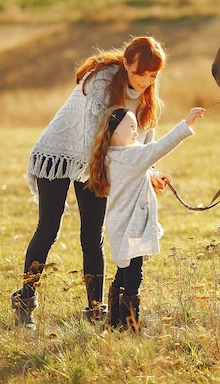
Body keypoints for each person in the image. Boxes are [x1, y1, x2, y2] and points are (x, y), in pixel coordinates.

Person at [11, 35, 171, 329]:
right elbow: (92, 140)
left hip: (98, 162)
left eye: (153, 76)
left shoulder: (148, 101)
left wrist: (152, 173)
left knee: (91, 236)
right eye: (139, 73)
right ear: (126, 63)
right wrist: (133, 170)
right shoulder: (101, 80)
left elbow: (142, 148)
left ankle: (95, 310)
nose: (145, 81)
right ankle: (25, 298)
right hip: (60, 153)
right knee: (48, 229)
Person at [88, 105, 205, 333]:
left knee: (123, 272)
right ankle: (131, 327)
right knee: (133, 276)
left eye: (136, 127)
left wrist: (152, 174)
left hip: (119, 225)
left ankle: (114, 322)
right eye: (130, 127)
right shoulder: (133, 156)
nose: (135, 131)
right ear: (113, 132)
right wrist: (187, 123)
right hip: (131, 226)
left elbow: (133, 173)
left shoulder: (109, 156)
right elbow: (160, 147)